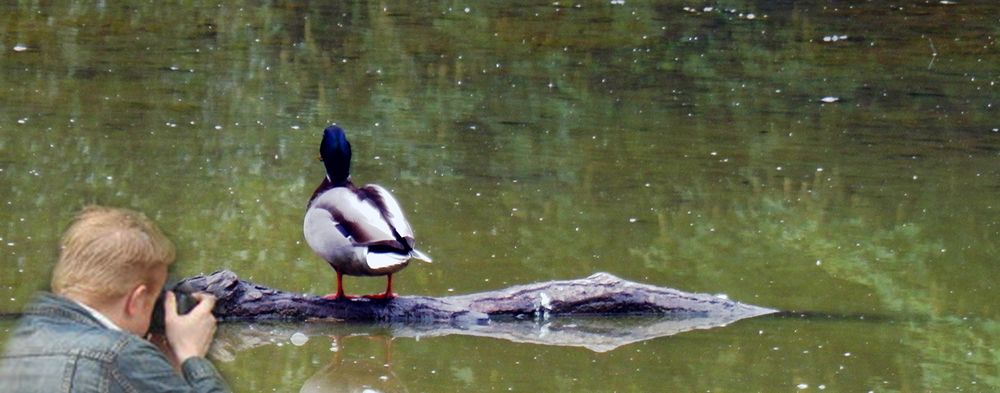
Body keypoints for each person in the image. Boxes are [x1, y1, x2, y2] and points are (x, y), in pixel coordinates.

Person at [0, 205, 230, 392]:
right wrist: (191, 354)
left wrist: (163, 367)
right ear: (137, 300)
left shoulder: (23, 340)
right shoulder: (121, 354)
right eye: (153, 301)